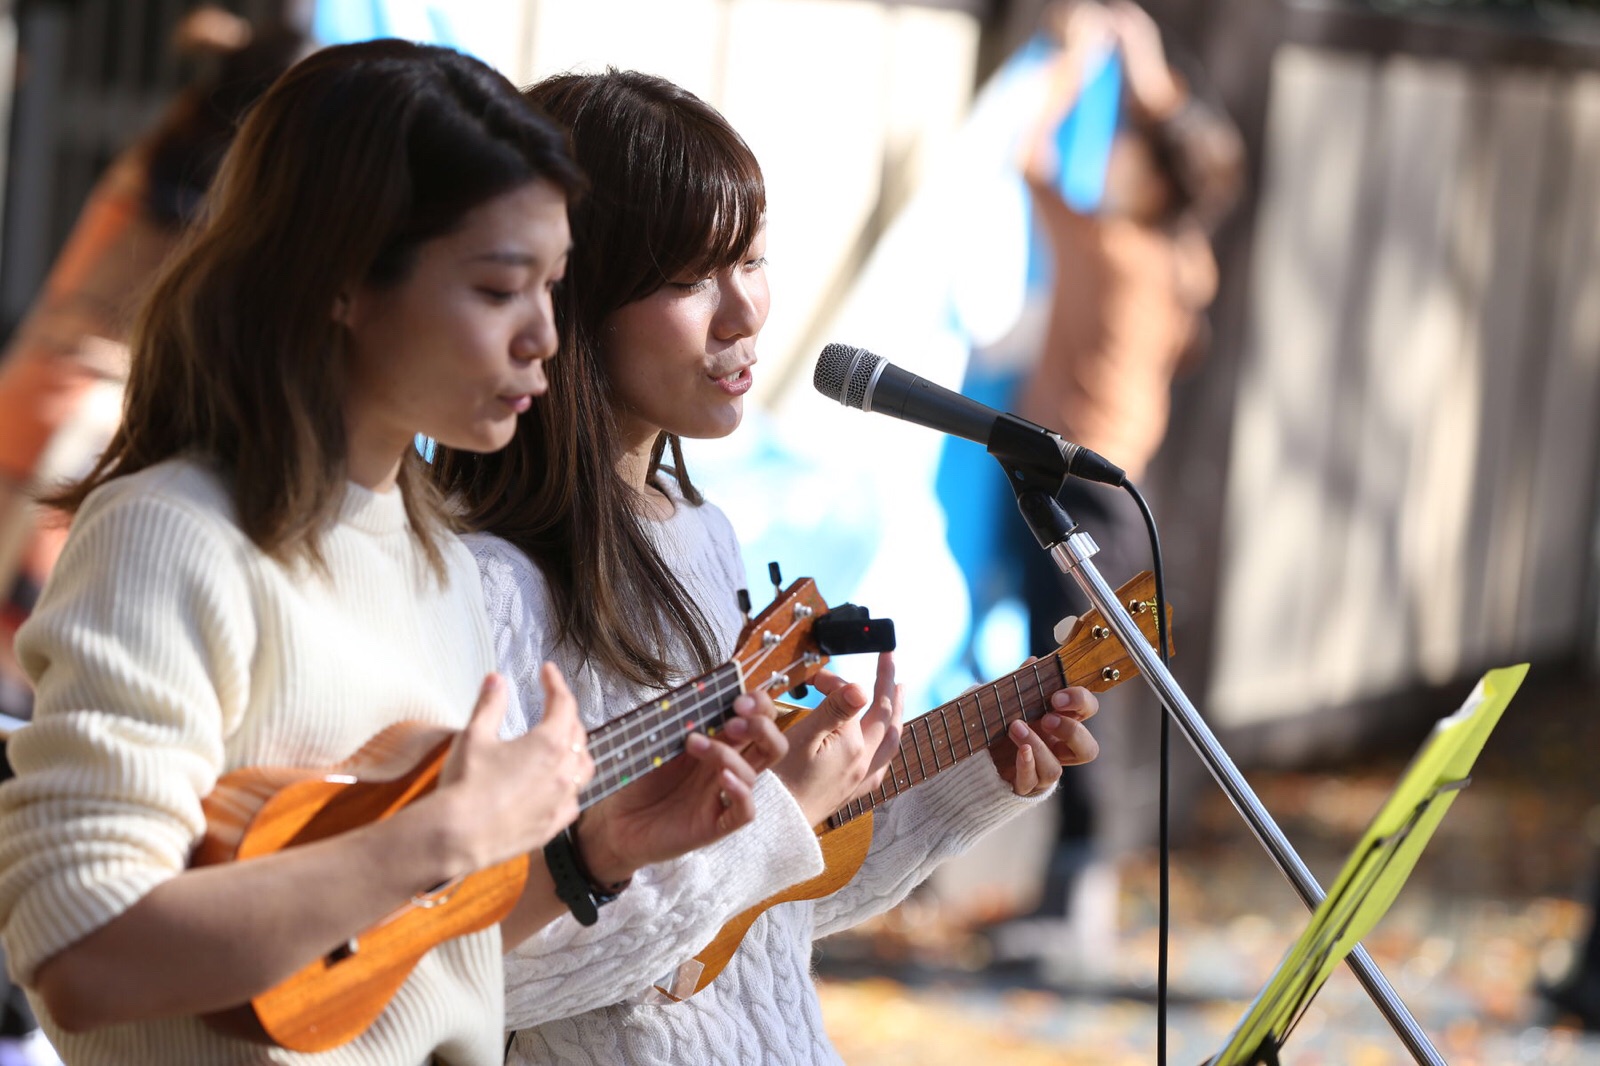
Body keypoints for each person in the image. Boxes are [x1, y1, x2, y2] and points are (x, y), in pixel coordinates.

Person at [0, 40, 785, 1066]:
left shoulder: (432, 552)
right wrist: (441, 834)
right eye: (498, 289)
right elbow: (81, 953)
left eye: (553, 288)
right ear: (344, 281)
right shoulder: (176, 533)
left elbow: (401, 965)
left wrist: (593, 855)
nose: (546, 338)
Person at [430, 68, 1103, 1065]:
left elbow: (752, 926)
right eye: (689, 278)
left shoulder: (704, 533)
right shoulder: (484, 583)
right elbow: (490, 968)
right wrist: (776, 817)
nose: (743, 313)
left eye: (751, 259)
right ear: (570, 293)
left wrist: (966, 787)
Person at [997, 0, 1243, 977]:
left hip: (1069, 499)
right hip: (1118, 504)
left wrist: (1075, 61)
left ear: (1152, 174)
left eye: (1132, 149)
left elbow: (1029, 159)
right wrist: (1147, 72)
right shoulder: (1186, 261)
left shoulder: (1113, 250)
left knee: (1066, 687)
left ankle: (1073, 905)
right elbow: (1207, 162)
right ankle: (1074, 896)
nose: (1116, 157)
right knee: (1091, 683)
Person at [0, 8, 308, 721]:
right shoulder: (205, 190)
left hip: (45, 387)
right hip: (77, 412)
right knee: (25, 650)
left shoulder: (168, 147)